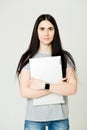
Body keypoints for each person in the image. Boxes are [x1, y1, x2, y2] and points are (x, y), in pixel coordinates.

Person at [16, 14, 77, 130]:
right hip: (34, 119)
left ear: (55, 31)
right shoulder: (27, 58)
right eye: (42, 29)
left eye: (50, 29)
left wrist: (44, 85)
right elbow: (24, 92)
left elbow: (72, 89)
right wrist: (56, 87)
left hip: (60, 118)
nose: (46, 33)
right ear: (36, 32)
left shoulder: (65, 58)